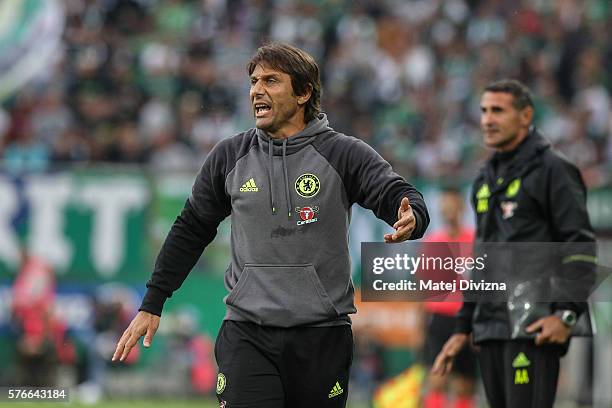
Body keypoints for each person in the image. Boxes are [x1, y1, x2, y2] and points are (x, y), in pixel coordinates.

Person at [112, 43, 429, 408]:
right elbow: (191, 229)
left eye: (271, 81)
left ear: (303, 92)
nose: (256, 90)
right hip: (247, 333)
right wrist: (152, 302)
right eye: (253, 81)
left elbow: (395, 192)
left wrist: (412, 215)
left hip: (322, 336)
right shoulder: (229, 156)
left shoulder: (343, 153)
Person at [432, 79, 596, 408]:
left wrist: (566, 314)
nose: (487, 120)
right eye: (483, 111)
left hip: (533, 325)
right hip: (490, 328)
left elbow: (579, 246)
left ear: (525, 116)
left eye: (498, 111)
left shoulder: (554, 170)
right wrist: (463, 327)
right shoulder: (483, 179)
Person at [422, 186, 477, 408]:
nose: (448, 211)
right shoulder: (433, 242)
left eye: (452, 206)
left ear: (462, 208)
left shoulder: (475, 240)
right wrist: (420, 326)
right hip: (440, 318)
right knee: (437, 377)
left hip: (467, 320)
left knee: (465, 383)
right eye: (445, 207)